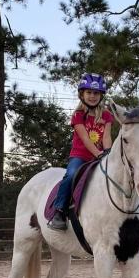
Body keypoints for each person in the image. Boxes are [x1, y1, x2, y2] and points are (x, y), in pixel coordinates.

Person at [48, 73, 113, 231]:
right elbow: (85, 139)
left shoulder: (106, 115)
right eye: (89, 92)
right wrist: (98, 154)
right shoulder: (78, 116)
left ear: (101, 95)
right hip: (80, 156)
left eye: (96, 93)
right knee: (70, 175)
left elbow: (106, 137)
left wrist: (108, 153)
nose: (92, 96)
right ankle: (59, 211)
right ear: (82, 94)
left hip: (99, 157)